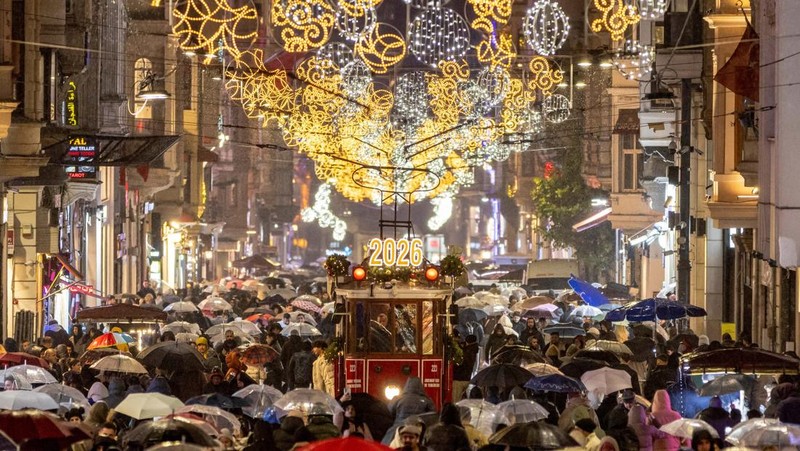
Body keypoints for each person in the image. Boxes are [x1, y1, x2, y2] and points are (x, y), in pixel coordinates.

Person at [384, 377, 436, 444]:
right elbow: (432, 417)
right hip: (418, 431)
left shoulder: (397, 399)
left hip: (398, 429)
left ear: (406, 386)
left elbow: (388, 414)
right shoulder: (427, 400)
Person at [452, 334, 479, 402]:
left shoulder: (468, 351)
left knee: (456, 401)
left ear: (467, 342)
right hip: (466, 378)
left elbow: (462, 362)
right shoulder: (472, 350)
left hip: (460, 378)